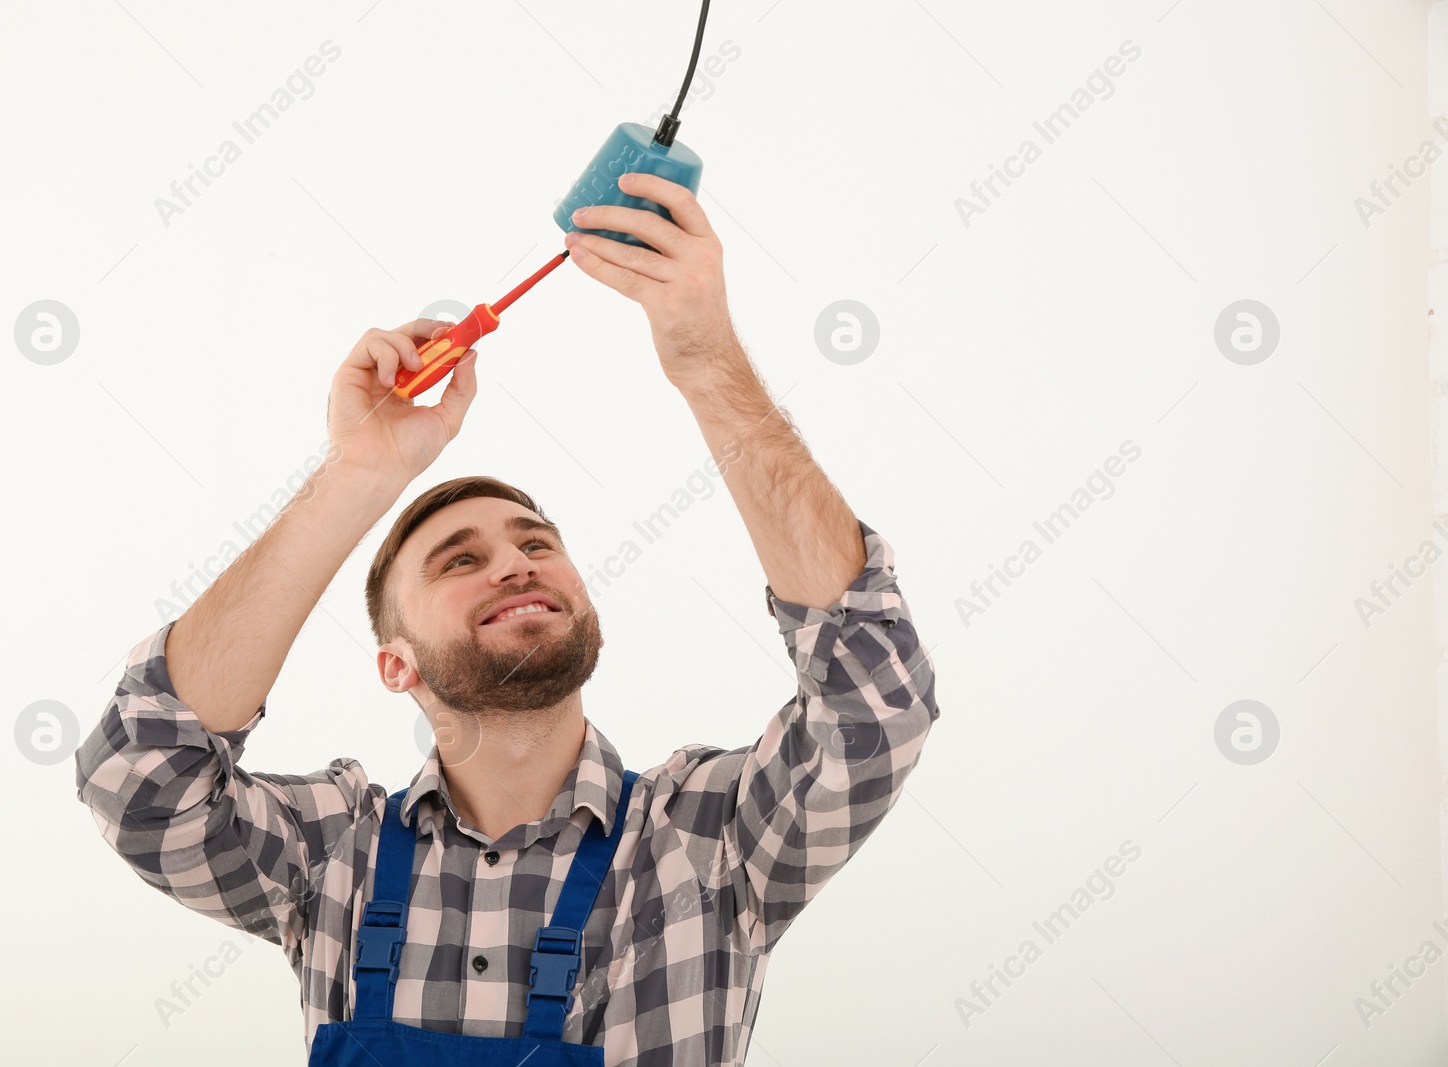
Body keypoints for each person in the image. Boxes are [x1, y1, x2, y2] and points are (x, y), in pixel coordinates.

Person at [75, 171, 940, 1066]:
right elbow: (139, 780)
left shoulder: (712, 840)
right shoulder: (331, 854)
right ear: (396, 664)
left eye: (536, 541)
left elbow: (876, 703)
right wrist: (356, 475)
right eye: (460, 560)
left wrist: (706, 358)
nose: (515, 561)